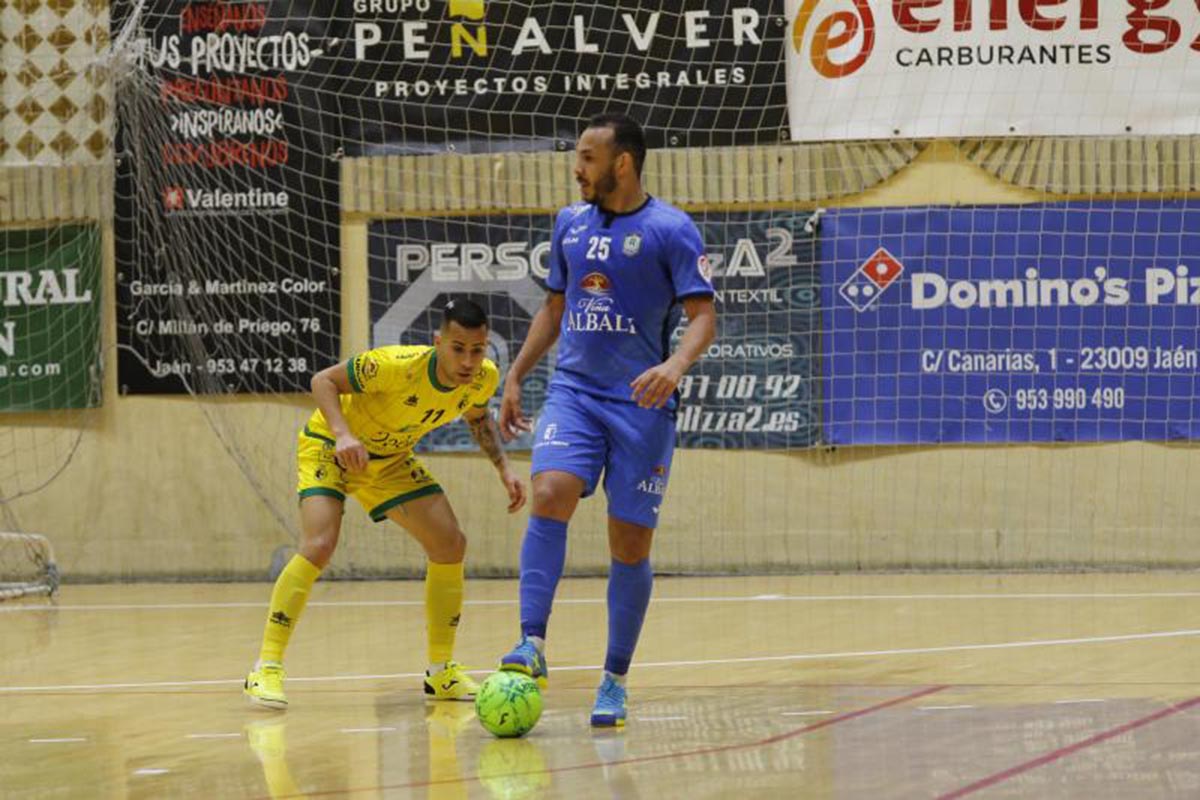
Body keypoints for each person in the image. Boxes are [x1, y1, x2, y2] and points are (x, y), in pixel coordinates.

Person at [496, 113, 717, 727]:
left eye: (588, 157)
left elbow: (703, 316)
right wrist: (516, 374)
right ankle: (531, 644)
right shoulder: (569, 223)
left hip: (642, 402)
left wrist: (674, 366)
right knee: (549, 490)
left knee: (629, 542)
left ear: (623, 162)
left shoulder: (672, 229)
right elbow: (555, 307)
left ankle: (614, 679)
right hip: (575, 391)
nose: (577, 168)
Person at [244, 299, 526, 709]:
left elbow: (478, 418)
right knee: (320, 543)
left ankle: (442, 672)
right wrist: (342, 434)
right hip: (331, 447)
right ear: (438, 342)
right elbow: (323, 380)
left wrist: (504, 470)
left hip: (389, 461)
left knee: (450, 543)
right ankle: (266, 666)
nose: (468, 360)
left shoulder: (483, 379)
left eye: (477, 349)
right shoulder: (396, 364)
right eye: (457, 348)